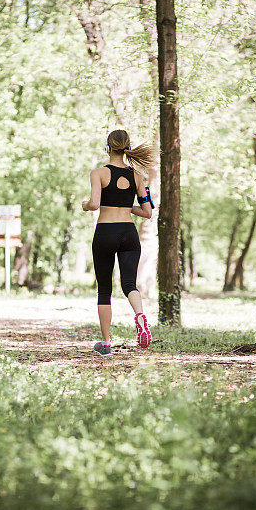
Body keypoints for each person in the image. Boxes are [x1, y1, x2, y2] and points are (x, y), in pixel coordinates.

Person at [81, 130, 158, 355]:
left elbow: (95, 204)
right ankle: (141, 317)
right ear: (126, 148)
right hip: (128, 233)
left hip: (106, 232)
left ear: (108, 147)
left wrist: (85, 205)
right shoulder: (137, 177)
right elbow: (147, 212)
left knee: (104, 289)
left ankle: (106, 344)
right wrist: (125, 207)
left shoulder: (98, 173)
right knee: (129, 285)